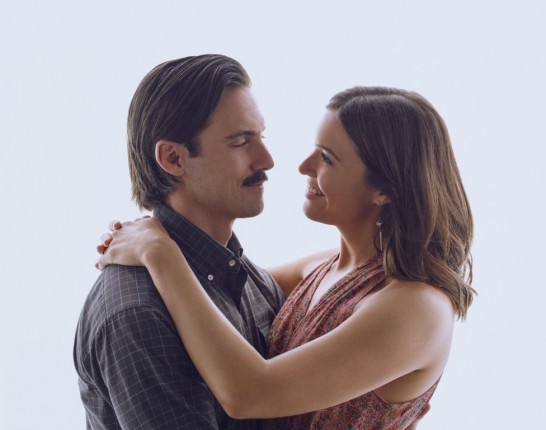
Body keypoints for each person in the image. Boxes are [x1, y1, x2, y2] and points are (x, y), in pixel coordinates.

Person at [97, 86, 475, 429]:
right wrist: (141, 238)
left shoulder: (416, 308)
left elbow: (250, 393)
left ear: (384, 190)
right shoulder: (325, 268)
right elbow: (217, 286)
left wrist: (158, 252)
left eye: (327, 158)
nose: (303, 166)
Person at [74, 54, 287, 429]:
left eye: (261, 137)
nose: (267, 160)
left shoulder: (249, 279)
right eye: (241, 142)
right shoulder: (137, 313)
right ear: (173, 158)